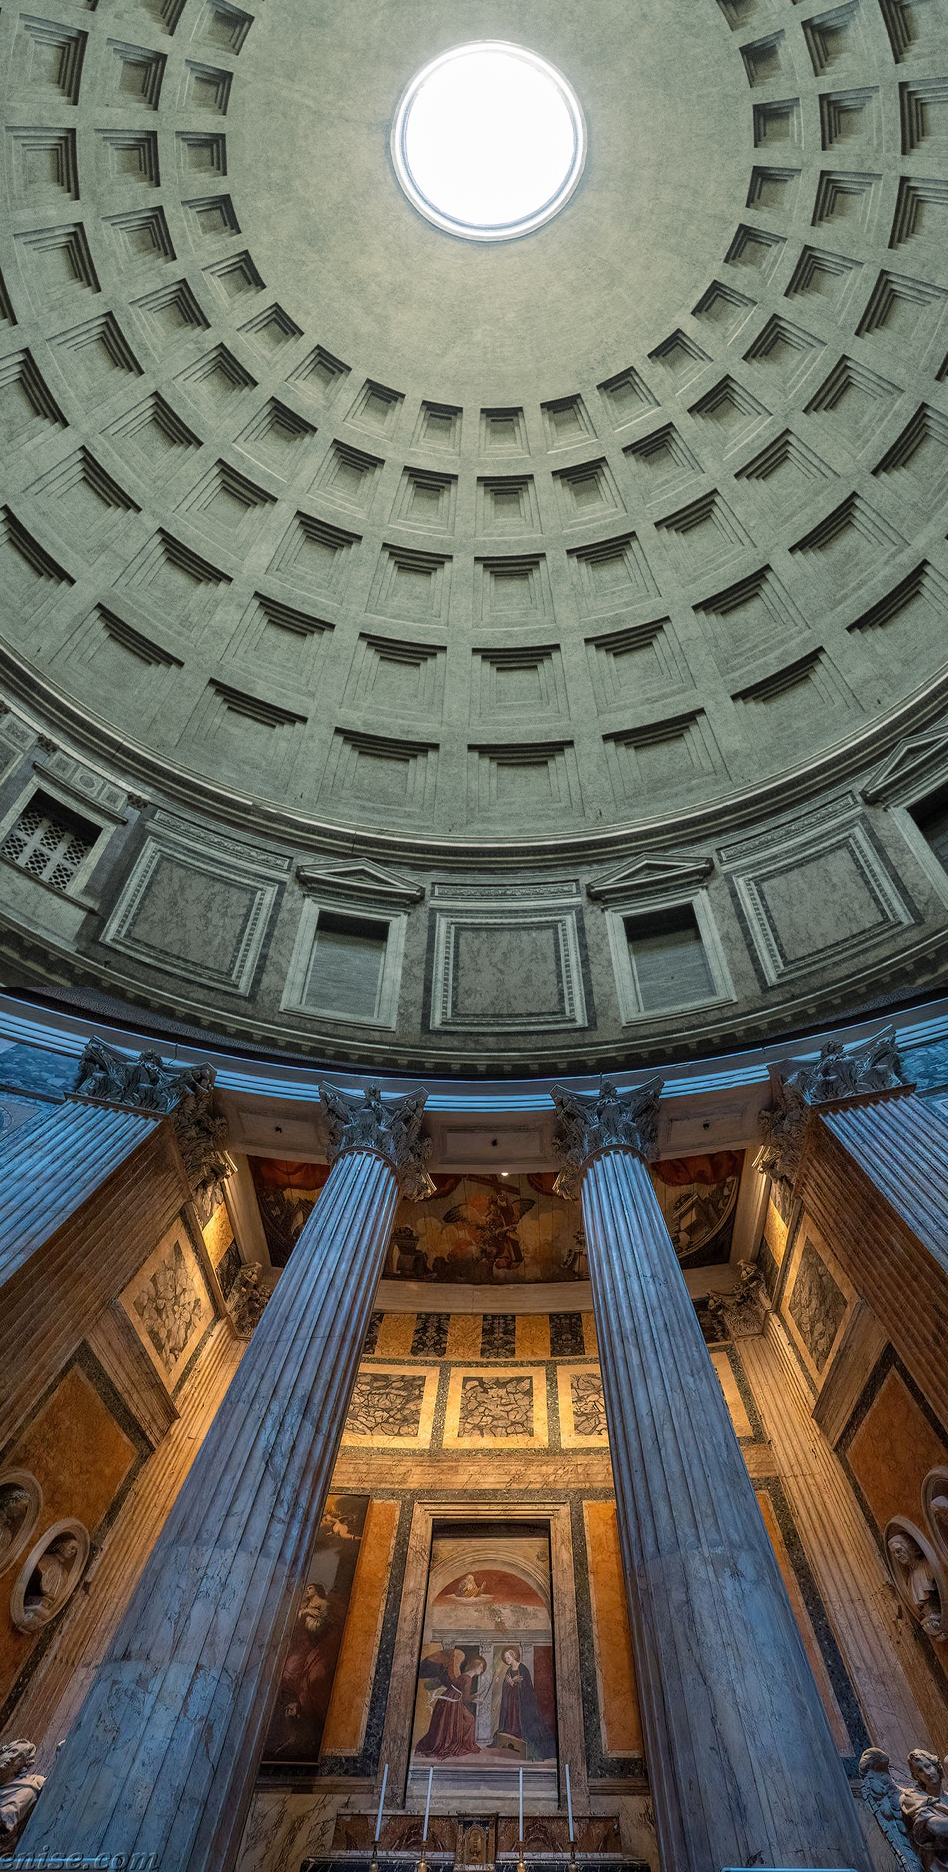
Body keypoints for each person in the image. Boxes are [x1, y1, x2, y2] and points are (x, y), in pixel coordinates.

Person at [415, 1648, 485, 1758]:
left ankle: (453, 1743)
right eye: (481, 1667)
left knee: (445, 1724)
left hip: (448, 1699)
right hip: (452, 1702)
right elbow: (466, 1699)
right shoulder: (468, 1678)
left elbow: (461, 1693)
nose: (482, 1670)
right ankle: (460, 1744)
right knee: (469, 1720)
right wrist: (475, 1697)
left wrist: (475, 1697)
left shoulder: (464, 1675)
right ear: (475, 1666)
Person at [495, 1647, 556, 1761]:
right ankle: (513, 1732)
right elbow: (506, 1685)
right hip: (511, 1701)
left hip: (522, 1702)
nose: (507, 1660)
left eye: (508, 1657)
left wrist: (513, 1682)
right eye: (505, 1658)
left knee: (521, 1719)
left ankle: (521, 1735)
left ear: (513, 1655)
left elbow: (527, 1687)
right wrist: (511, 1682)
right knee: (511, 1717)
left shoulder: (522, 1668)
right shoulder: (509, 1670)